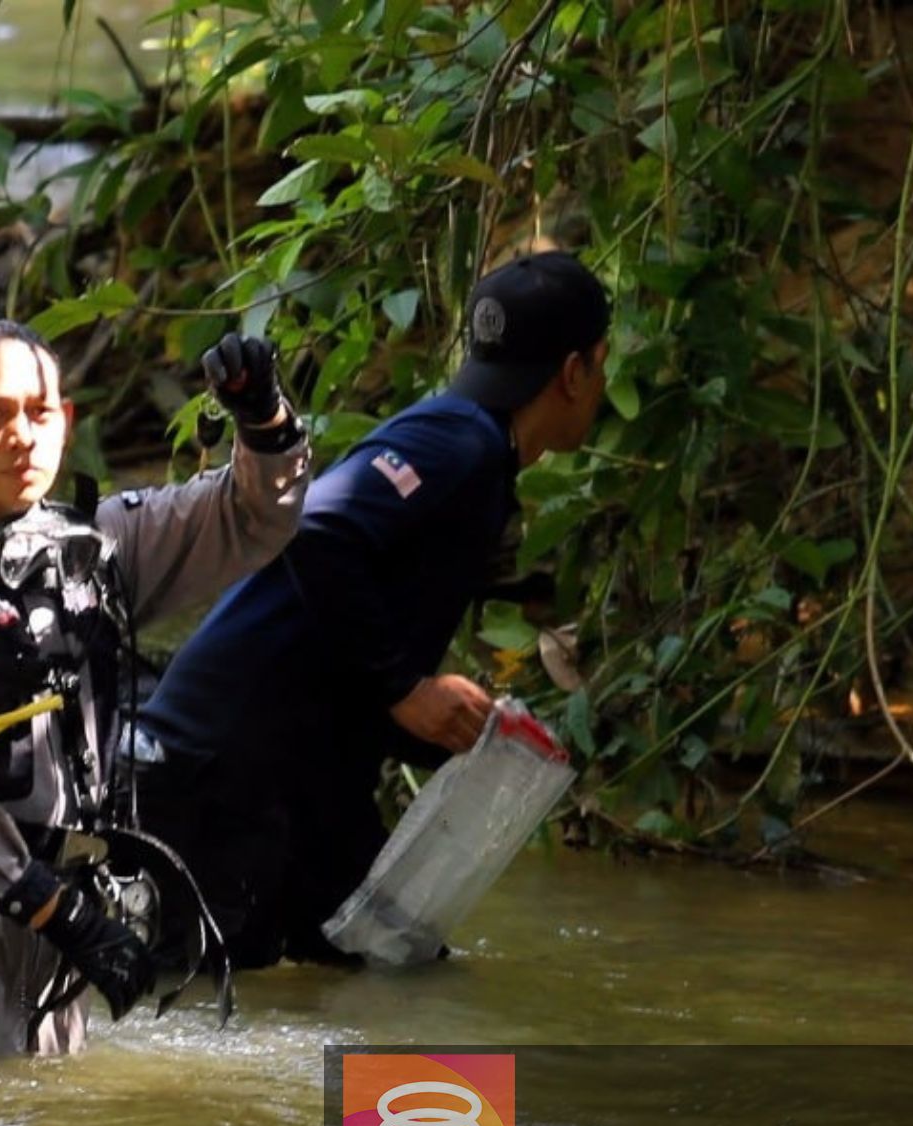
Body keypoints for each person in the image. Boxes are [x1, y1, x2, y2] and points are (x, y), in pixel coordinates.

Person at [0, 319, 310, 1057]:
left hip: (59, 937)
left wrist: (266, 420)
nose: (20, 435)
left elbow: (252, 518)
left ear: (68, 420)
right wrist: (68, 916)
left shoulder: (98, 551)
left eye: (38, 412)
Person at [134, 250, 612, 971]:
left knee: (400, 973)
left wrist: (447, 727)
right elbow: (318, 530)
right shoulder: (462, 443)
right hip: (224, 772)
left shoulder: (471, 449)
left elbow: (342, 625)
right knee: (205, 1005)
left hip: (295, 780)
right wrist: (405, 687)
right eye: (602, 364)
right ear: (574, 373)